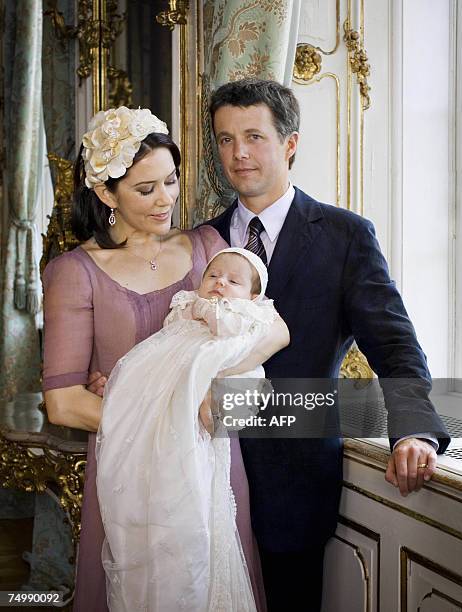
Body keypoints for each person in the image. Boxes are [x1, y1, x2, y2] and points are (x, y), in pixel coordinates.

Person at [204, 78, 451, 611]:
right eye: (225, 139)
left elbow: (395, 345)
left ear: (290, 144)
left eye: (253, 136)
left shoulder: (345, 236)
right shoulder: (201, 240)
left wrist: (415, 431)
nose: (238, 153)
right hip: (202, 468)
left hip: (293, 482)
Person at [42, 106, 288, 612]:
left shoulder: (209, 249)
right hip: (130, 470)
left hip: (211, 466)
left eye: (171, 182)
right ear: (106, 194)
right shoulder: (75, 272)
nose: (166, 200)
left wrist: (210, 391)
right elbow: (64, 405)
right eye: (145, 188)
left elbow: (273, 328)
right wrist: (173, 413)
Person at [96, 247, 284, 612]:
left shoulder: (245, 315)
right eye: (213, 275)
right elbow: (162, 346)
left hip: (215, 385)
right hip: (167, 391)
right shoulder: (187, 307)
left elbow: (240, 336)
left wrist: (211, 316)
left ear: (253, 295)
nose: (219, 284)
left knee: (191, 505)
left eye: (233, 281)